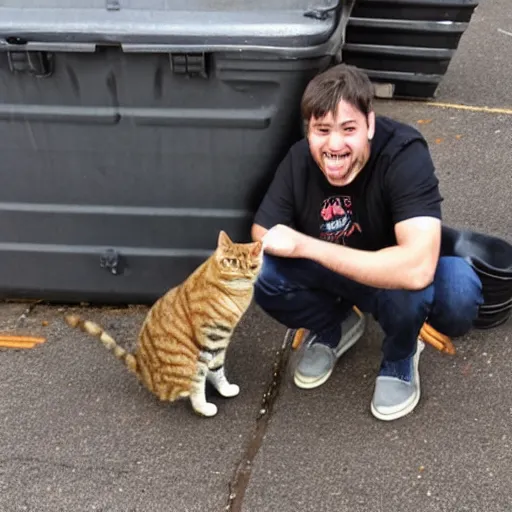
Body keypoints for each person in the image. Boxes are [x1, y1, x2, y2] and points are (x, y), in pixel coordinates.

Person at [250, 64, 483, 421]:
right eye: (322, 130)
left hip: (396, 272)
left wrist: (307, 247)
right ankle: (336, 324)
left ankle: (400, 354)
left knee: (458, 299)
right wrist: (292, 246)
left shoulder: (404, 153)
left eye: (348, 129)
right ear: (309, 130)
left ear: (370, 125)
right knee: (263, 270)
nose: (334, 144)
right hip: (343, 276)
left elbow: (417, 268)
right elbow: (264, 233)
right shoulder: (299, 159)